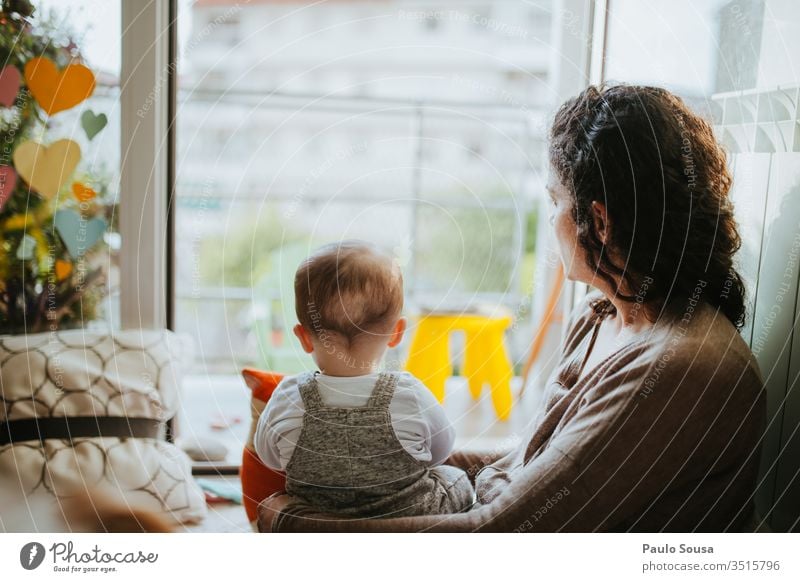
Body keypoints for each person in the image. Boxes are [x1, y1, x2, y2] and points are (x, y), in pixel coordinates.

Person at [258, 84, 766, 533]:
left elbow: (505, 534)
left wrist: (297, 523)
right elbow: (533, 464)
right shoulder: (605, 314)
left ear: (600, 223)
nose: (550, 219)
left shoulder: (678, 372)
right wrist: (362, 463)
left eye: (553, 200)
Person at [253, 240, 475, 519]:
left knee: (279, 503)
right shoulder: (410, 394)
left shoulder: (288, 396)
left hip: (317, 517)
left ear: (303, 337)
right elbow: (441, 450)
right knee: (454, 477)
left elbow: (269, 457)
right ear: (397, 333)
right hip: (409, 517)